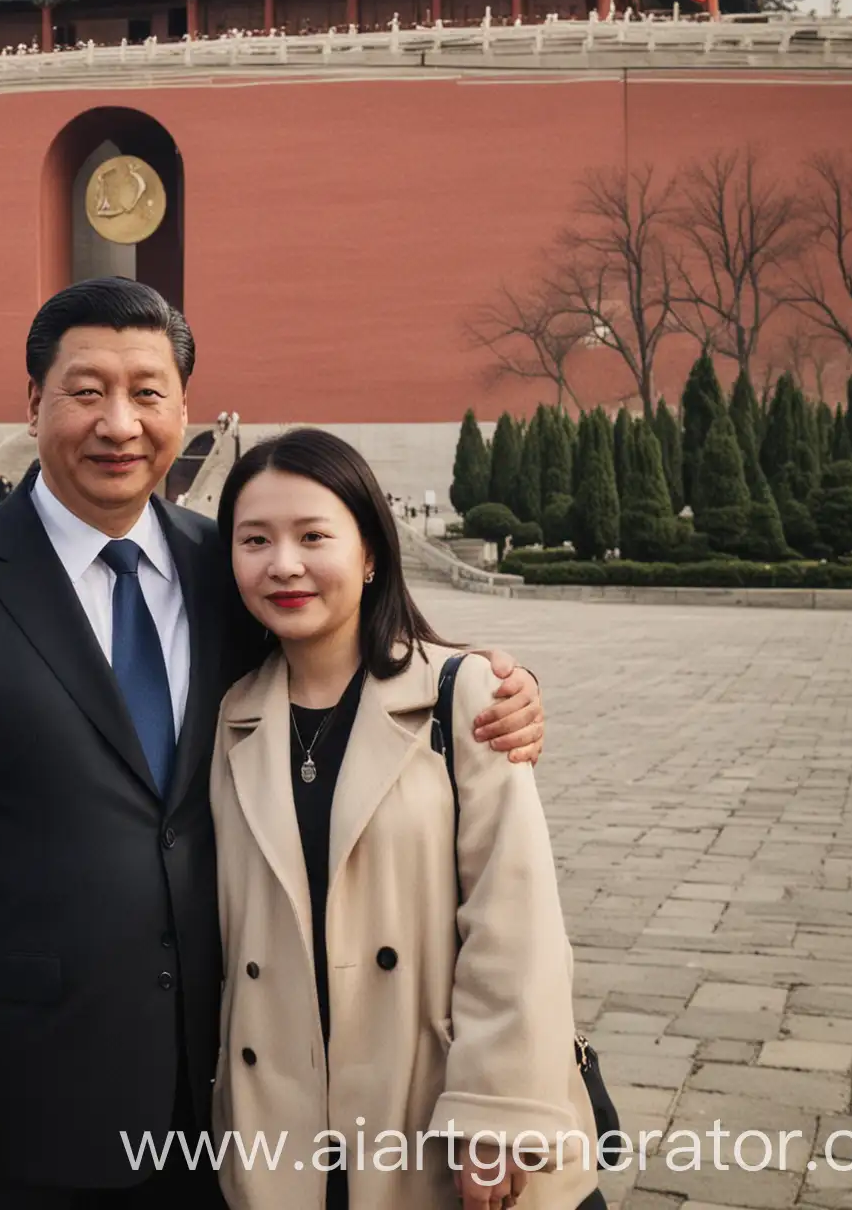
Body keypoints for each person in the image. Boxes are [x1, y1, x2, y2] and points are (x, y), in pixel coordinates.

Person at [0, 278, 545, 1205]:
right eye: (86, 391)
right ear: (33, 403)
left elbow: (349, 660)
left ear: (184, 408)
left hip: (229, 1081)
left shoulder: (226, 568)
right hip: (31, 1077)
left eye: (147, 393)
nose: (119, 423)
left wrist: (494, 681)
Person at [211, 429, 593, 1210]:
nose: (283, 564)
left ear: (371, 551)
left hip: (434, 1113)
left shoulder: (462, 696)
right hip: (285, 1127)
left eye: (314, 536)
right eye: (255, 540)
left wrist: (494, 1117)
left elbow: (513, 917)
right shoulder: (229, 719)